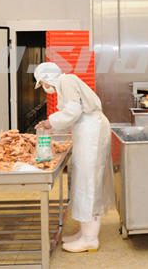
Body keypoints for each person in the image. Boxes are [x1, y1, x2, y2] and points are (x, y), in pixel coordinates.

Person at [33, 63, 114, 253]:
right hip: (87, 131)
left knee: (88, 183)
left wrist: (50, 122)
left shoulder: (67, 81)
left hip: (92, 132)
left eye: (42, 83)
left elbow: (72, 112)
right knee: (84, 181)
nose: (44, 87)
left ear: (46, 79)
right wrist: (52, 123)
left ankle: (90, 239)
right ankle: (85, 232)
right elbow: (72, 113)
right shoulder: (65, 84)